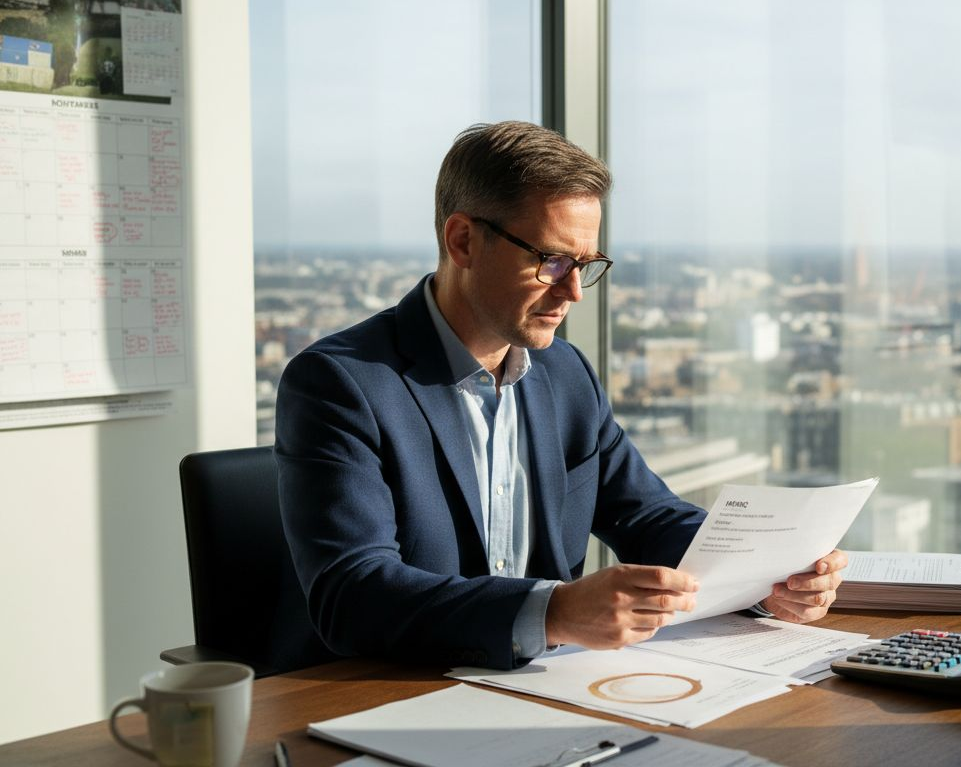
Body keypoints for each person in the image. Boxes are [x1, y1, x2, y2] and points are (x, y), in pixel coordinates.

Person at [276, 121, 847, 670]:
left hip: (550, 689)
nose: (574, 291)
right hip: (391, 699)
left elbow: (647, 516)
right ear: (463, 241)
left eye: (587, 264)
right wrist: (552, 613)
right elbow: (351, 595)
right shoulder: (342, 384)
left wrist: (769, 576)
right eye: (551, 262)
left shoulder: (564, 373)